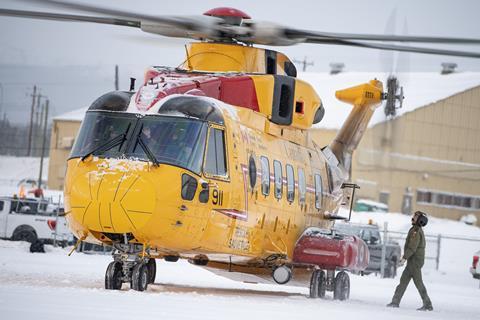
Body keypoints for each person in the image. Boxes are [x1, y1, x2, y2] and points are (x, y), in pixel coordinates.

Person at [387, 211, 433, 311]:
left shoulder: (416, 231)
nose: (413, 217)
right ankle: (395, 302)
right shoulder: (414, 229)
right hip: (412, 262)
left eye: (416, 216)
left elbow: (412, 247)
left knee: (418, 283)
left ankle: (428, 304)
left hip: (415, 262)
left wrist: (404, 258)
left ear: (420, 220)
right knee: (403, 282)